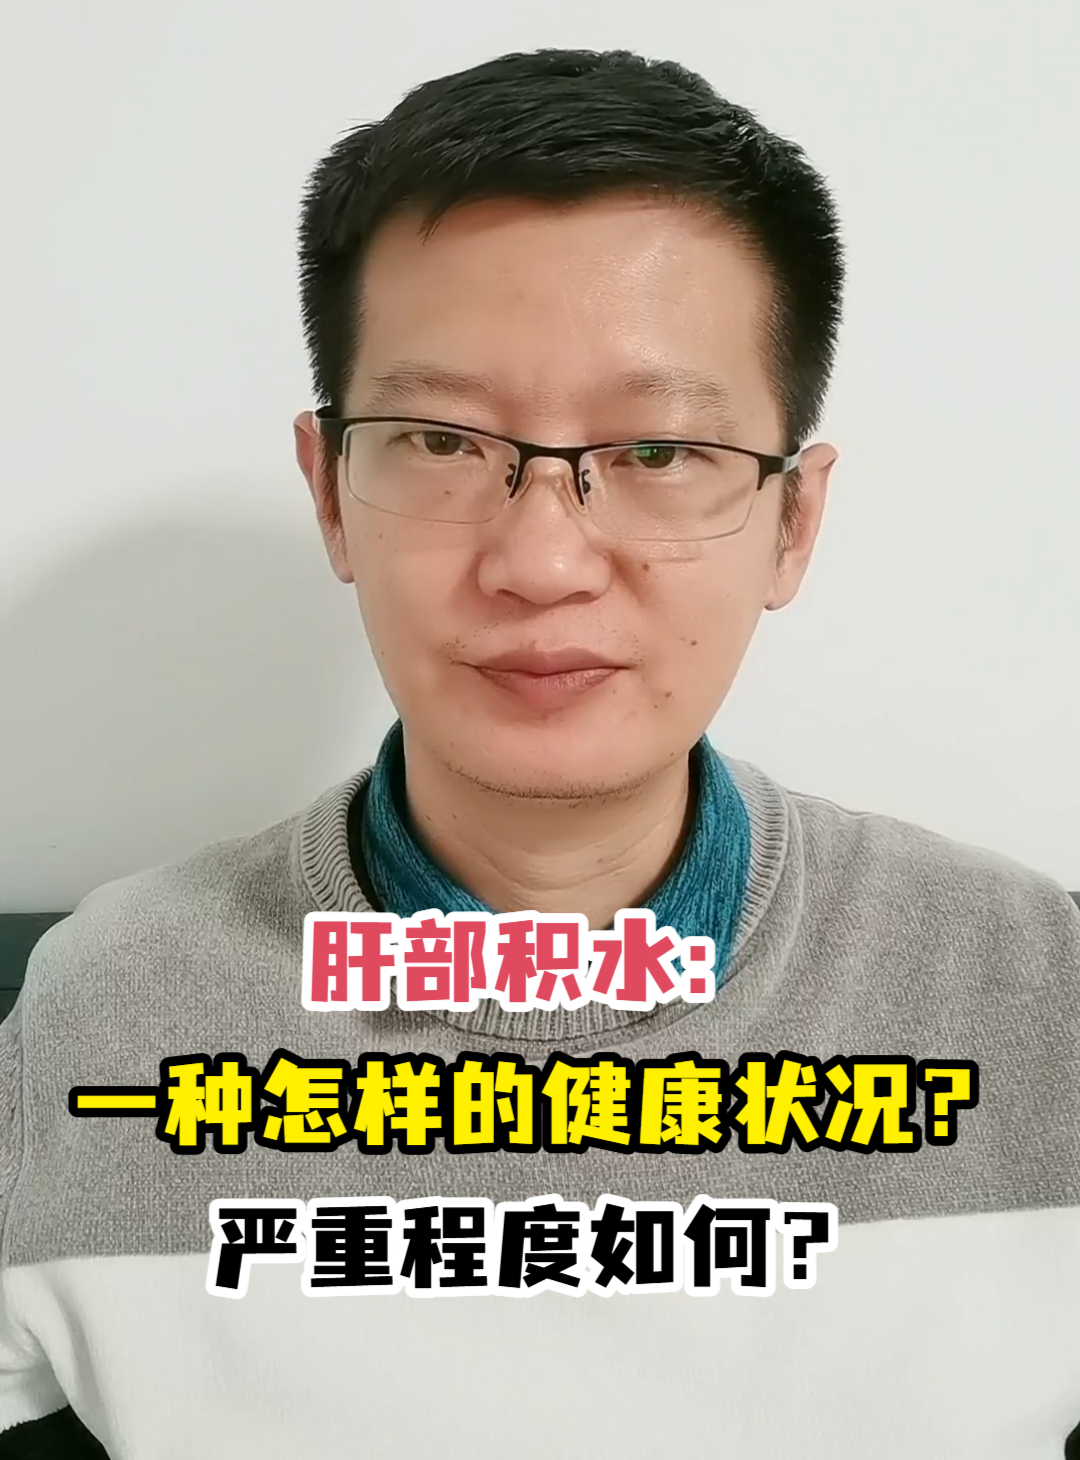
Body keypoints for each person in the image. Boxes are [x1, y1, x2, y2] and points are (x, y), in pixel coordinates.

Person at [2, 46, 1078, 1460]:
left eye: (658, 452)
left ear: (793, 523)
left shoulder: (1033, 997)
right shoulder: (104, 1017)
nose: (543, 561)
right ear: (330, 494)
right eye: (441, 441)